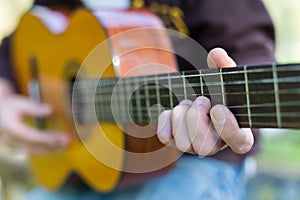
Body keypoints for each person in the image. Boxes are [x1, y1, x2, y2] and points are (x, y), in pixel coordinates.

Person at [0, 0, 275, 199]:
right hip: (78, 177)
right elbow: (15, 52)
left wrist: (221, 118)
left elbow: (248, 51)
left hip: (192, 165)